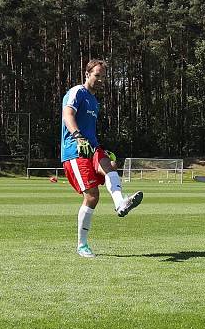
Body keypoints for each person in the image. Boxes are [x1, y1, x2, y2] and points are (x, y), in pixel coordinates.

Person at [61, 59, 143, 258]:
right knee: (92, 196)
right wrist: (78, 137)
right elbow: (67, 114)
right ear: (87, 74)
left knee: (109, 166)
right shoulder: (77, 92)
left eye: (104, 77)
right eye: (97, 75)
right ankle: (82, 245)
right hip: (75, 150)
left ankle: (120, 203)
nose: (100, 80)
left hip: (92, 147)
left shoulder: (94, 101)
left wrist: (96, 147)